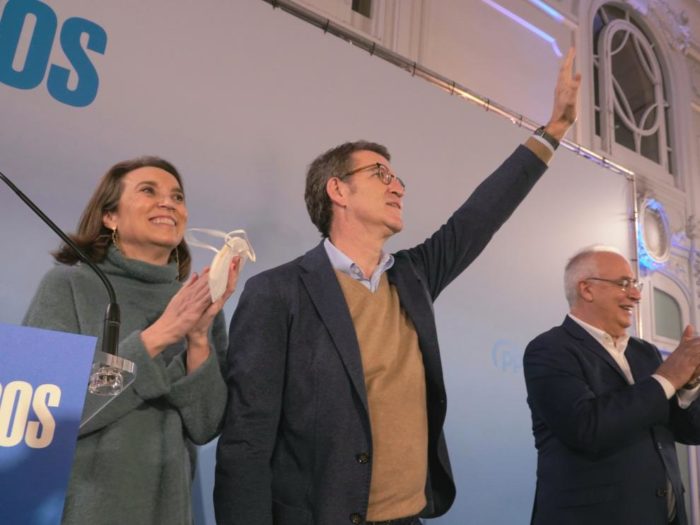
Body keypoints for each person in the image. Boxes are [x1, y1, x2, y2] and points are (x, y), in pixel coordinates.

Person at [214, 49, 581, 525]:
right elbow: (246, 440)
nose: (398, 187)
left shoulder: (414, 276)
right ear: (337, 190)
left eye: (397, 178)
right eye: (380, 174)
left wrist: (553, 132)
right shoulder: (277, 293)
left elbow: (481, 215)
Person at [23, 156, 240, 525]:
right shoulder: (67, 286)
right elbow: (43, 416)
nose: (168, 203)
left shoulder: (196, 303)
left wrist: (198, 339)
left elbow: (206, 426)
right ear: (110, 217)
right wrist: (158, 336)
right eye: (148, 191)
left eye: (177, 196)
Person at [523, 245, 700, 525]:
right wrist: (668, 378)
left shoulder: (646, 353)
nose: (636, 295)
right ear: (587, 289)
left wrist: (688, 386)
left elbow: (690, 432)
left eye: (635, 284)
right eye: (624, 283)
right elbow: (587, 428)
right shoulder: (549, 349)